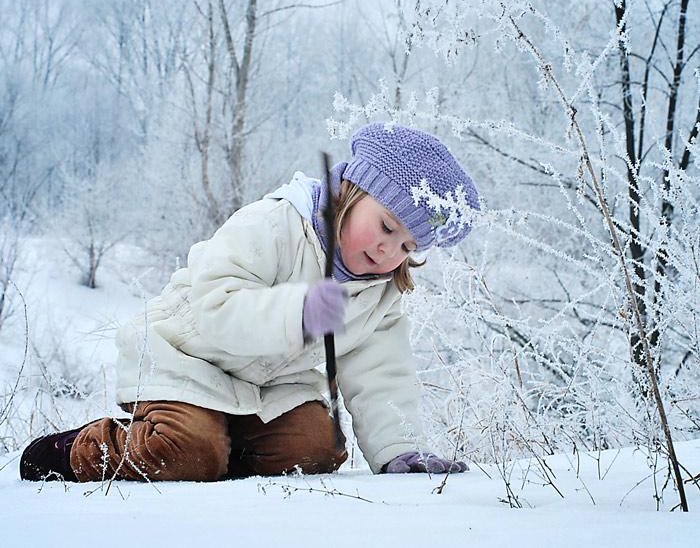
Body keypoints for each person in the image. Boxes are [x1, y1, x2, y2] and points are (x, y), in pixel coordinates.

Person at [20, 123, 479, 483]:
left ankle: (215, 450)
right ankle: (76, 449)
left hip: (267, 388)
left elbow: (383, 376)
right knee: (186, 450)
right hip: (188, 360)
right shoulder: (275, 224)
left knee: (317, 449)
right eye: (385, 226)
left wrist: (400, 450)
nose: (388, 252)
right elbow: (215, 309)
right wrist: (295, 312)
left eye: (407, 246)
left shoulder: (378, 291)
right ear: (350, 192)